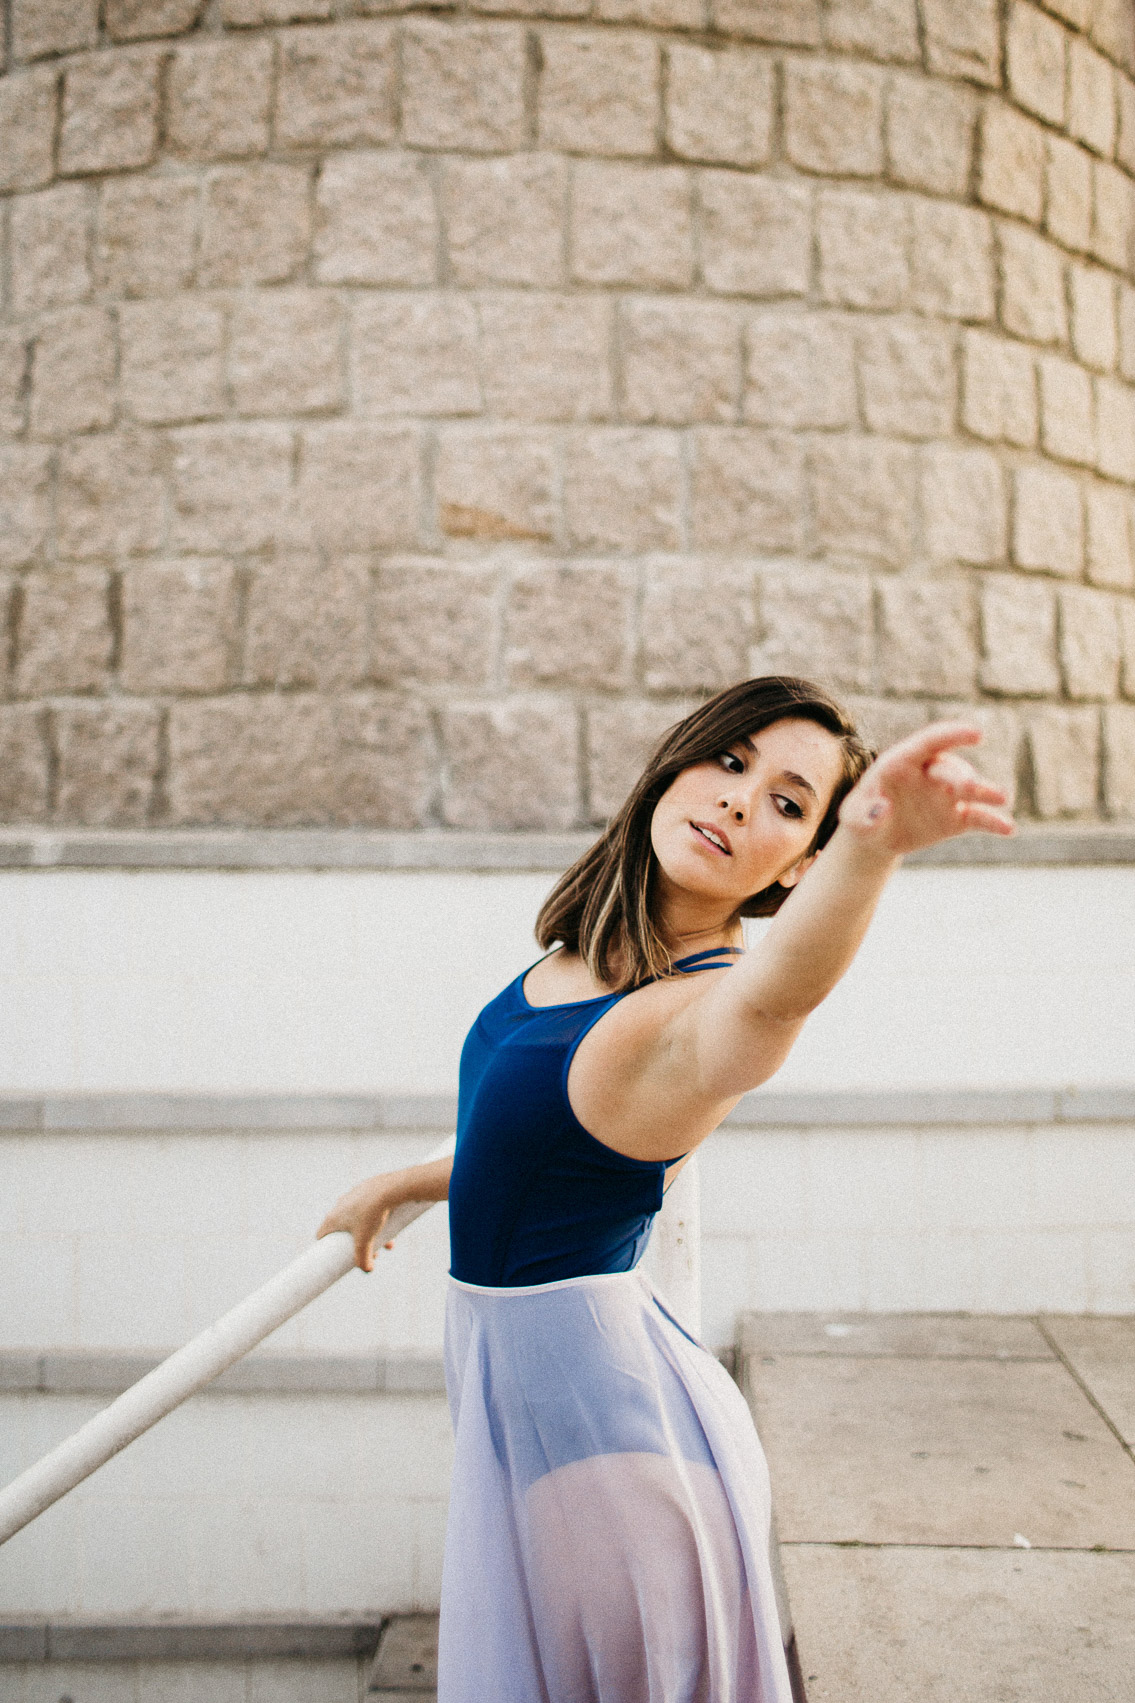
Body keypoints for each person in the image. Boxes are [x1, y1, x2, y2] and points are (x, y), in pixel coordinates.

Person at [317, 675, 1014, 1703]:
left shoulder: (697, 1010)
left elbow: (777, 1000)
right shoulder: (583, 960)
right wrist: (410, 1179)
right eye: (730, 762)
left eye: (786, 802)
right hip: (550, 1421)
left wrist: (872, 846)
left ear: (800, 863)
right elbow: (543, 1149)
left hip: (606, 1458)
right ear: (675, 763)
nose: (739, 800)